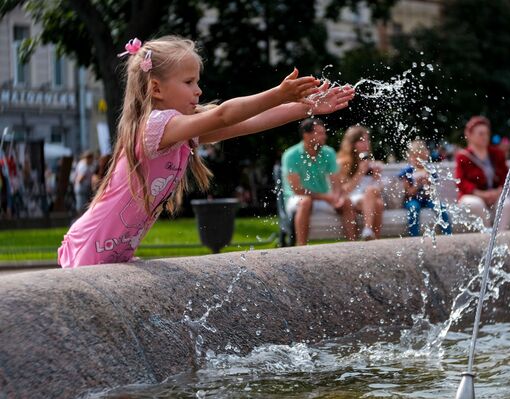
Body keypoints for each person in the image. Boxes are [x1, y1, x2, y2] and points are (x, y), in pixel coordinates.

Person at [58, 36, 354, 267]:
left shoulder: (179, 130)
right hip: (91, 249)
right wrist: (278, 93)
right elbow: (224, 115)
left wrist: (305, 107)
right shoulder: (154, 126)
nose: (198, 90)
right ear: (156, 89)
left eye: (196, 81)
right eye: (189, 82)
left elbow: (246, 123)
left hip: (113, 252)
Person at [282, 118, 357, 245]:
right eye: (320, 133)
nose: (325, 136)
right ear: (306, 135)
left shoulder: (329, 152)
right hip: (297, 199)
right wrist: (327, 198)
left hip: (322, 198)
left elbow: (336, 183)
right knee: (305, 201)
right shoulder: (291, 155)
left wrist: (338, 197)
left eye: (324, 133)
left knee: (346, 202)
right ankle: (301, 248)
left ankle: (353, 246)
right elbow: (297, 189)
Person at [455, 116, 510, 231]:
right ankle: (487, 236)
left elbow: (507, 177)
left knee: (506, 204)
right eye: (481, 134)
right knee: (475, 204)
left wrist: (498, 191)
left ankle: (499, 237)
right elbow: (460, 181)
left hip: (495, 195)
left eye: (487, 133)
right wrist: (481, 194)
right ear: (470, 135)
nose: (485, 137)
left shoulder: (497, 154)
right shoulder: (463, 156)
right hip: (473, 196)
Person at [336, 125, 384, 240]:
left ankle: (368, 234)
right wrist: (360, 172)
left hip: (368, 199)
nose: (366, 144)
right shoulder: (342, 163)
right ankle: (371, 239)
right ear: (352, 143)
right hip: (351, 198)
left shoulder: (371, 162)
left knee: (376, 199)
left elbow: (379, 188)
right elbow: (344, 190)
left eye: (367, 140)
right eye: (361, 141)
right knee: (377, 203)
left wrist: (376, 177)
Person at [398, 139, 452, 237]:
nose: (419, 161)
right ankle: (414, 237)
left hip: (426, 199)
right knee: (414, 208)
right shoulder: (408, 171)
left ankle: (447, 234)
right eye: (417, 158)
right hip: (412, 199)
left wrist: (428, 183)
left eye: (422, 158)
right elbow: (408, 193)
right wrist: (417, 184)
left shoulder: (429, 170)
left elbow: (432, 192)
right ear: (411, 157)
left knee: (441, 207)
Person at [73, 150, 95, 215]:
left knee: (82, 206)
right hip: (82, 189)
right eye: (92, 159)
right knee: (82, 207)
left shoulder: (81, 164)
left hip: (81, 188)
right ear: (89, 158)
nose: (92, 161)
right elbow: (80, 178)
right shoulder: (84, 166)